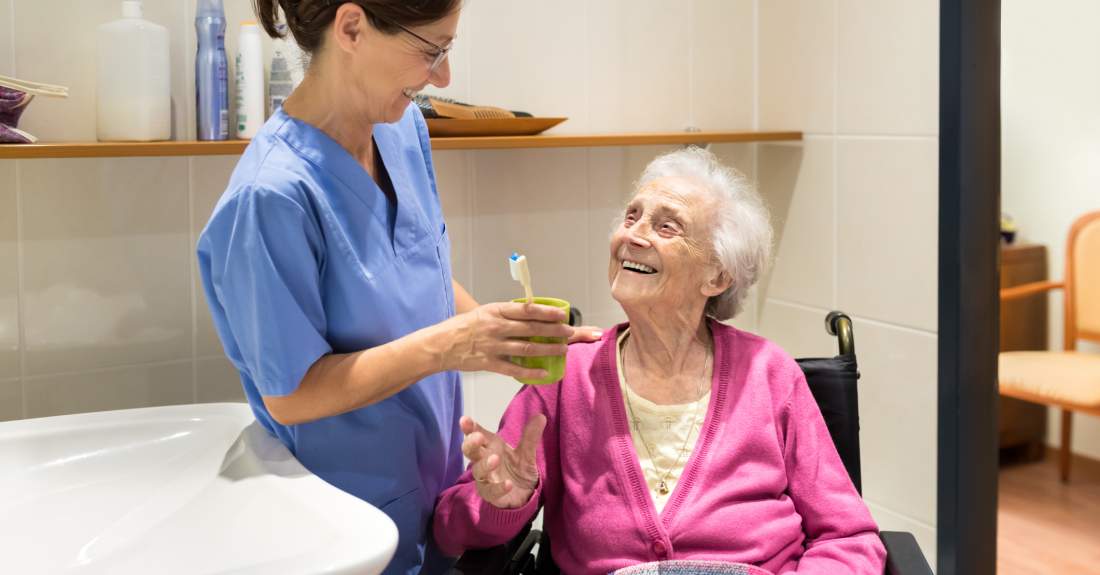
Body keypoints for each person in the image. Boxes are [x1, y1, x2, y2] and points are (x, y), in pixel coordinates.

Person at [197, 1, 597, 573]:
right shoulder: (270, 198)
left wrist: (505, 337)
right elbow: (292, 394)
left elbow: (415, 268)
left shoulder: (402, 130)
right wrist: (456, 345)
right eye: (431, 50)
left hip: (435, 497)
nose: (443, 77)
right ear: (352, 27)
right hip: (342, 522)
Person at [433, 147, 886, 574]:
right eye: (632, 216)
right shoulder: (565, 376)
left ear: (717, 274)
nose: (632, 234)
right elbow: (451, 525)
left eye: (666, 227)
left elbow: (849, 538)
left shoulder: (769, 374)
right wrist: (504, 502)